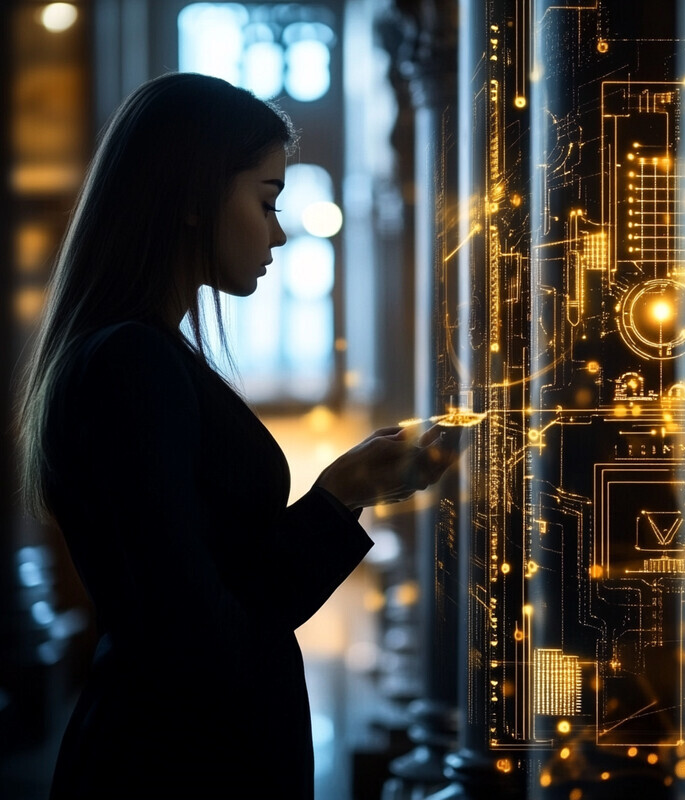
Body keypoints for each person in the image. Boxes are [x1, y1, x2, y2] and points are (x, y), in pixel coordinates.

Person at [14, 72, 455, 799]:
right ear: (193, 197)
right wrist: (341, 493)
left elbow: (224, 592)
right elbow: (201, 637)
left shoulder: (142, 352)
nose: (278, 231)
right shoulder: (134, 362)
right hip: (178, 768)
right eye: (266, 199)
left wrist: (351, 489)